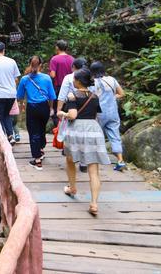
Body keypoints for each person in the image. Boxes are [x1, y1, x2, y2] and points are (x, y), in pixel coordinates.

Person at [57, 68, 111, 216]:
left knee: (70, 159)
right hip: (93, 129)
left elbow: (73, 115)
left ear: (79, 81)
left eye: (74, 79)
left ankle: (72, 187)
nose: (73, 81)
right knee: (94, 169)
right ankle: (94, 203)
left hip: (77, 129)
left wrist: (62, 113)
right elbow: (95, 114)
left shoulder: (72, 95)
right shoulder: (94, 96)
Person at [16, 56, 57, 170]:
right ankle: (41, 148)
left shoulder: (25, 79)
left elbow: (19, 96)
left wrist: (22, 104)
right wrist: (51, 108)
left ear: (30, 64)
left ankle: (37, 160)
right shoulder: (47, 78)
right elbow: (52, 96)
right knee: (41, 129)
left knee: (33, 132)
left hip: (32, 107)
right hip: (44, 106)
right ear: (41, 65)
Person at [90, 61, 126, 171]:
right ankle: (120, 160)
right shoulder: (112, 80)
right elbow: (122, 93)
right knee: (115, 136)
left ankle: (95, 159)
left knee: (95, 135)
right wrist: (111, 98)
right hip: (112, 112)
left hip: (99, 113)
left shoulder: (92, 83)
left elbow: (90, 98)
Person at [57, 57, 88, 172]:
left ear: (74, 67)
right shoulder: (90, 77)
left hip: (72, 106)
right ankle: (84, 163)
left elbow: (62, 95)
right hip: (87, 108)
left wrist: (59, 110)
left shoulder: (69, 77)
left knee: (69, 131)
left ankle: (71, 156)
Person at [49, 40, 74, 125]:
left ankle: (59, 128)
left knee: (57, 110)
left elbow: (53, 75)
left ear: (57, 47)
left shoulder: (54, 59)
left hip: (58, 87)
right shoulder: (72, 59)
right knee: (68, 108)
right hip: (71, 88)